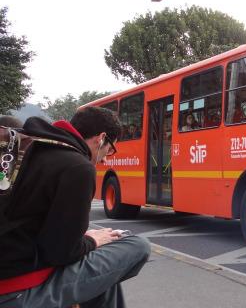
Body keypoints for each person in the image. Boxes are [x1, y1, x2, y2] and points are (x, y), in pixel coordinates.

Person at [0, 107, 151, 308]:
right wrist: (91, 240)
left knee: (103, 279)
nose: (105, 159)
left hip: (11, 264)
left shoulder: (30, 148)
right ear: (101, 138)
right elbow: (61, 253)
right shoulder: (77, 167)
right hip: (15, 291)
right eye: (109, 150)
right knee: (137, 245)